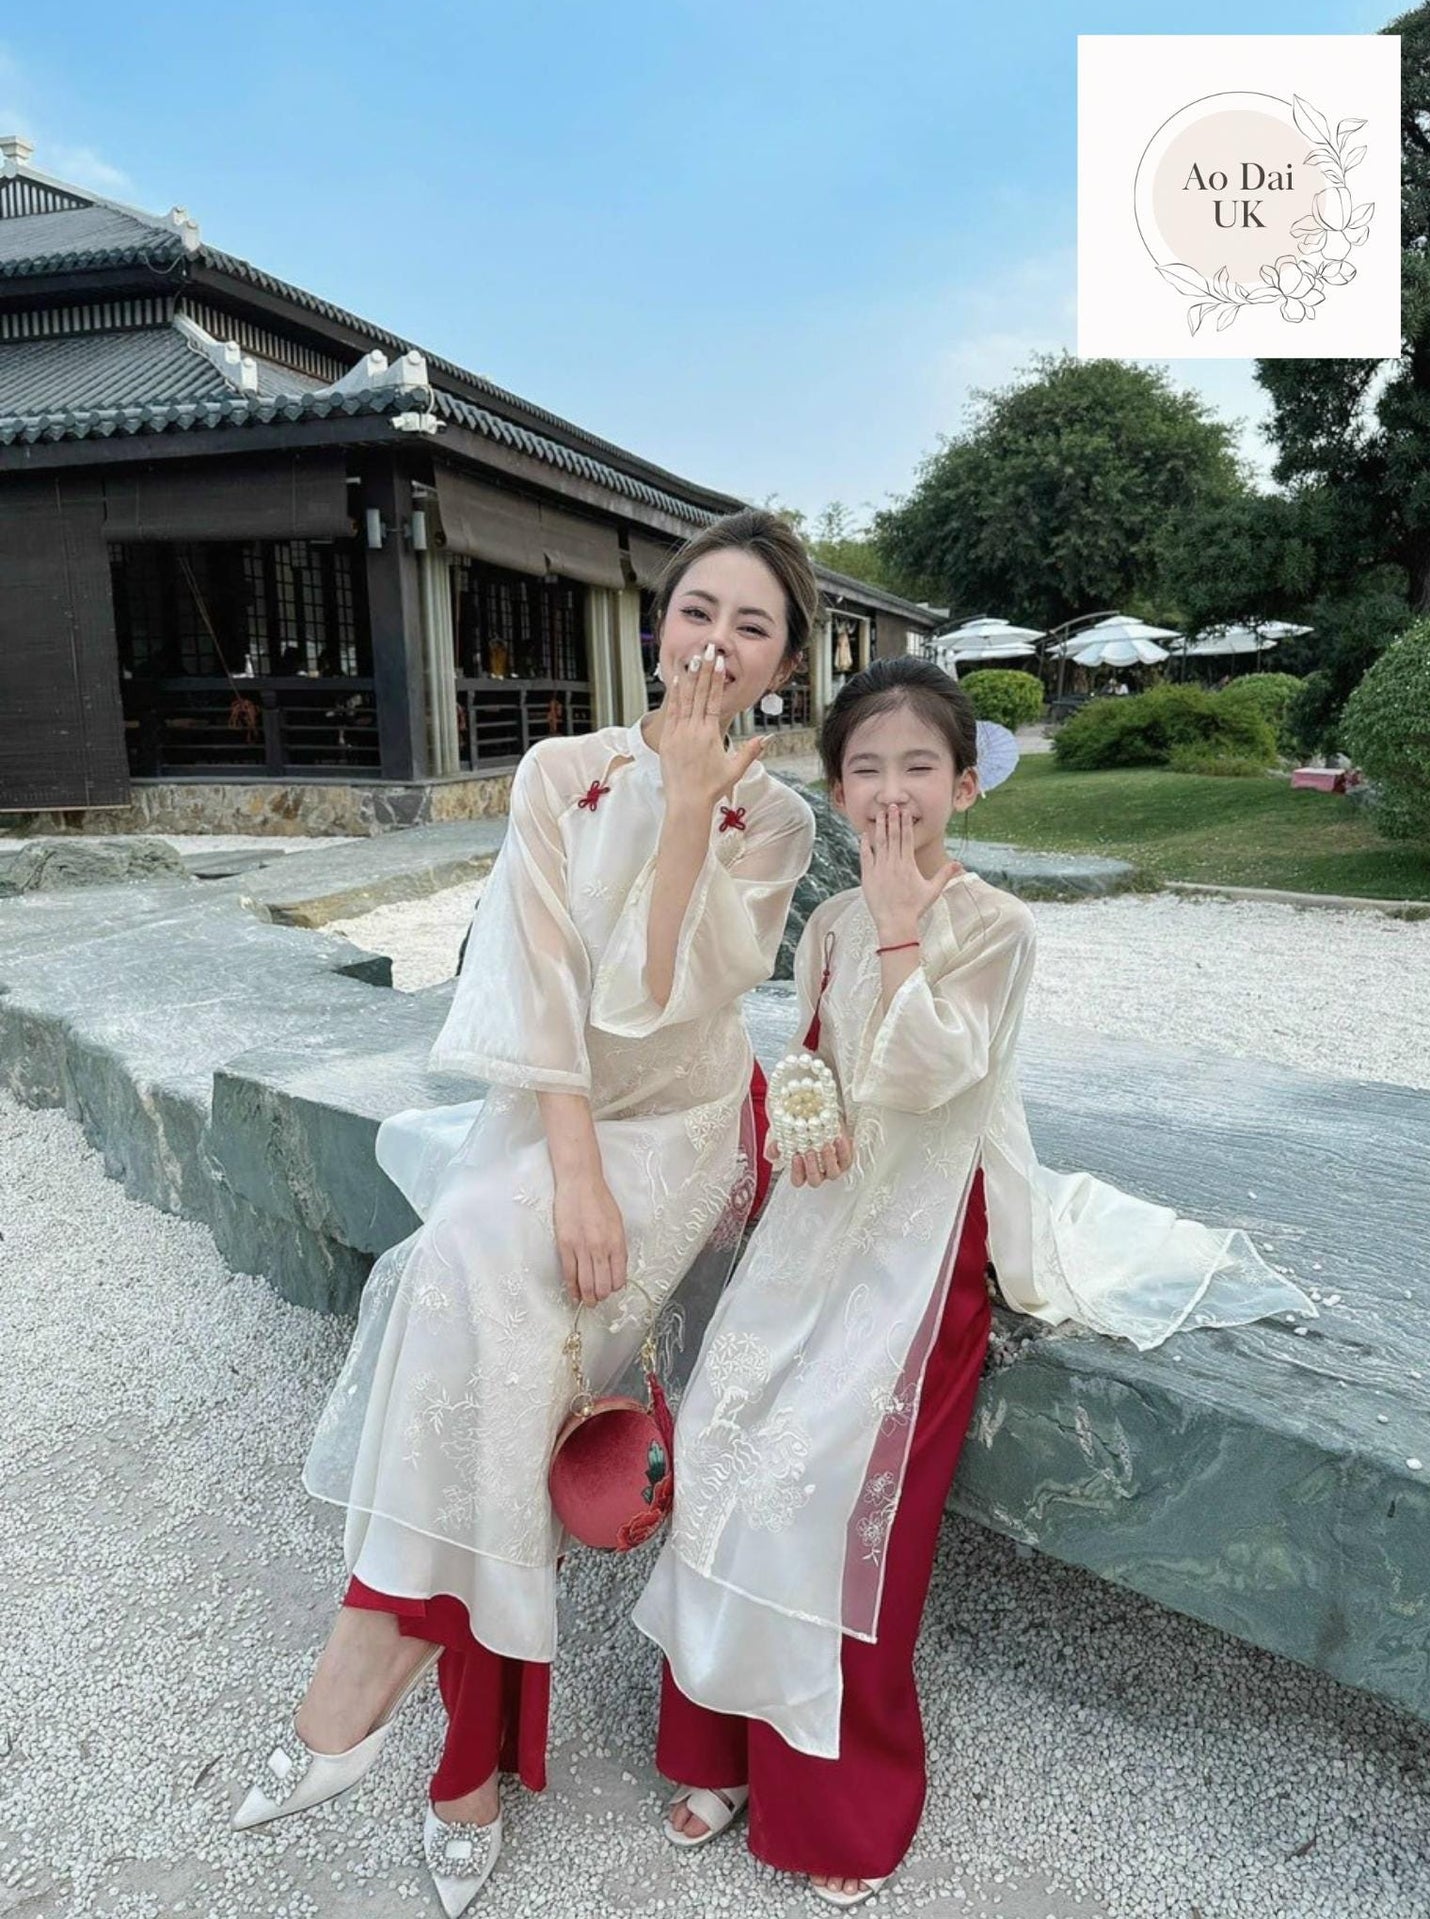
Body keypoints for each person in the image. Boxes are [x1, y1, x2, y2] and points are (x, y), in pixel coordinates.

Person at [635, 656, 1314, 1908]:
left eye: (918, 768)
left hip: (926, 1236)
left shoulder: (996, 925)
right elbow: (823, 1060)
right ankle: (712, 1748)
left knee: (826, 1489)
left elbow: (935, 1077)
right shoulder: (827, 922)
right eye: (865, 769)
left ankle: (833, 1806)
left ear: (964, 785)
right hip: (822, 1213)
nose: (892, 792)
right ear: (836, 788)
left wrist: (900, 921)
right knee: (724, 1437)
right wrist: (804, 1111)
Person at [231, 509, 819, 1916]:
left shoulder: (778, 817)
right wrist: (564, 1165)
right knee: (470, 1309)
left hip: (679, 1129)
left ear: (788, 658)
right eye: (697, 610)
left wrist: (688, 812)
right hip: (554, 1114)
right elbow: (536, 983)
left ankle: (369, 1689)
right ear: (655, 621)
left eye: (751, 625)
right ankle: (451, 1766)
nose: (715, 643)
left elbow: (663, 999)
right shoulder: (559, 771)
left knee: (486, 1327)